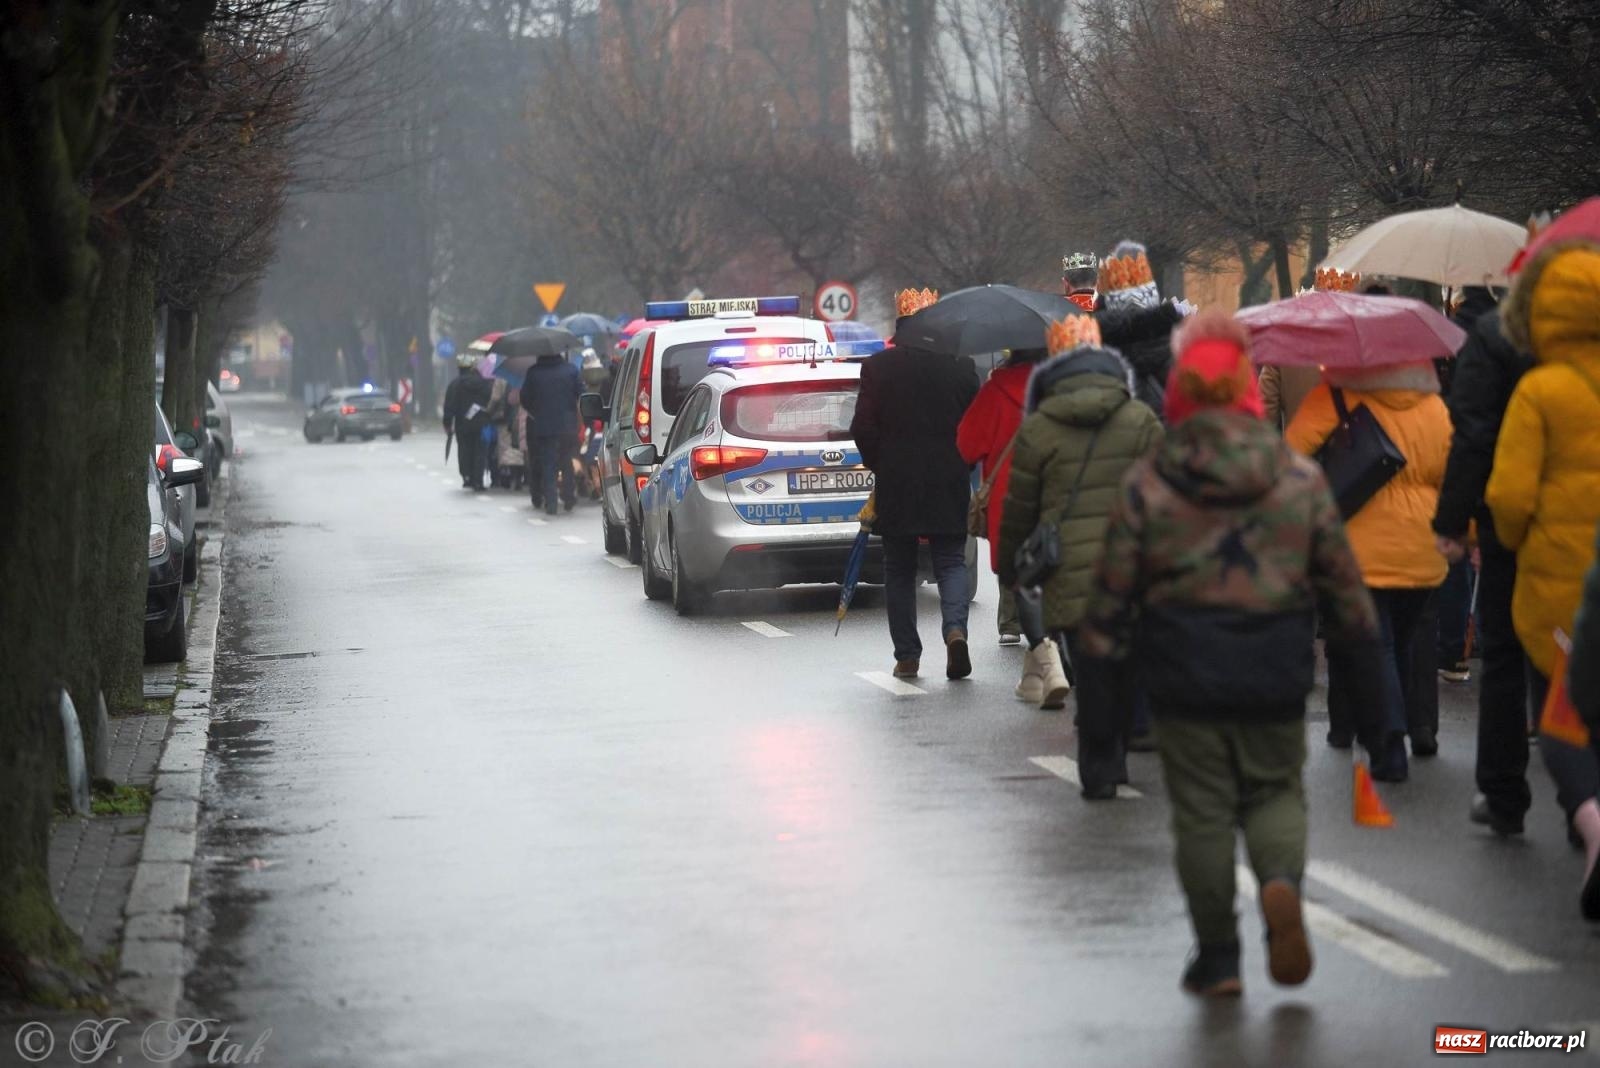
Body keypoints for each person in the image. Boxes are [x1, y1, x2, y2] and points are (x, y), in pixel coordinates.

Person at [1079, 309, 1381, 995]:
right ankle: (1279, 884)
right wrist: (1377, 706)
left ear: (1181, 395)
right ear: (1249, 391)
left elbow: (1108, 608)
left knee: (1204, 814)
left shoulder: (1151, 482)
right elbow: (1347, 596)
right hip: (1275, 667)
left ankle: (1218, 957)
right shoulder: (1299, 478)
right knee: (1275, 791)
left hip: (1184, 676)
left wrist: (1101, 719)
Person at [1485, 231, 1600, 920]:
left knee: (1562, 714)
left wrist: (1509, 539)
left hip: (1557, 578)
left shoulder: (1540, 389)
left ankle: (1586, 820)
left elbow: (1508, 496)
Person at [996, 318, 1161, 790]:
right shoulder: (1141, 420)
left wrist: (1010, 568)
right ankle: (1124, 749)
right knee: (1127, 661)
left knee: (1090, 673)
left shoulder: (1040, 429)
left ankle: (1098, 768)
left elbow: (1019, 510)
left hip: (1068, 570)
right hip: (1134, 569)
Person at [1286, 357, 1451, 779]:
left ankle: (1389, 743)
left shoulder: (1336, 394)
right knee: (1402, 641)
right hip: (1424, 545)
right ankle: (1399, 728)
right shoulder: (1433, 405)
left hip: (1359, 546)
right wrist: (1463, 533)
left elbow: (1291, 453)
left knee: (1378, 644)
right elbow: (1454, 473)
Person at [1433, 305, 1535, 833]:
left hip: (1510, 519)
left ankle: (1503, 792)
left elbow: (1469, 434)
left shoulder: (1498, 337)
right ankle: (1583, 799)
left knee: (1504, 653)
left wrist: (1452, 522)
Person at [851, 287, 980, 680]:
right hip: (948, 479)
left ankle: (907, 654)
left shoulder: (878, 368)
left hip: (898, 481)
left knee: (901, 569)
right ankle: (955, 629)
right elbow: (974, 426)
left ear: (899, 327)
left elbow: (862, 429)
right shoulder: (961, 368)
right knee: (951, 561)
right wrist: (963, 463)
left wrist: (882, 464)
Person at [957, 348, 1040, 647]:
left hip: (1007, 493)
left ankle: (1011, 622)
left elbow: (967, 445)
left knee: (1011, 554)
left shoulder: (996, 390)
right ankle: (1049, 635)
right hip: (1051, 487)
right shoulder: (1060, 387)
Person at [520, 351, 584, 515]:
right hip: (567, 426)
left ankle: (551, 502)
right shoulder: (571, 370)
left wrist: (537, 410)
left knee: (548, 464)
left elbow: (524, 399)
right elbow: (582, 394)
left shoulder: (533, 373)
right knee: (566, 461)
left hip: (543, 425)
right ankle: (569, 497)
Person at [441, 352, 494, 491]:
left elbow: (449, 406)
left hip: (462, 424)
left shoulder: (454, 385)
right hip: (481, 423)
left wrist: (447, 424)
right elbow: (491, 400)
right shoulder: (483, 383)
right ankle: (478, 480)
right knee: (480, 451)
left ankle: (467, 477)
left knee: (464, 450)